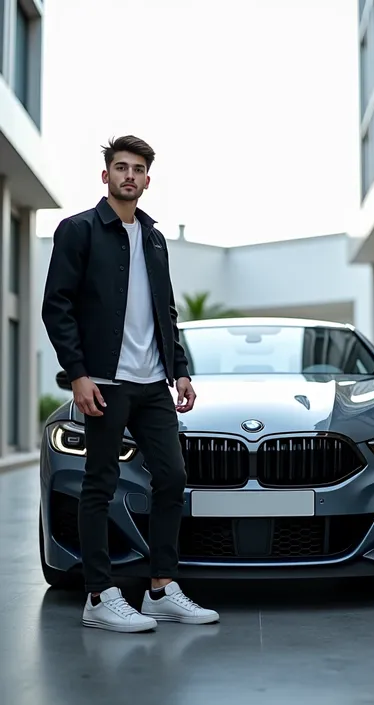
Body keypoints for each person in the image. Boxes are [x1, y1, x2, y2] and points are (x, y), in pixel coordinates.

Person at [42, 135, 219, 633]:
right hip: (103, 381)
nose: (129, 176)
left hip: (152, 384)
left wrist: (179, 369)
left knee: (172, 479)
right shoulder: (78, 231)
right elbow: (56, 306)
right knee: (100, 484)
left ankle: (161, 588)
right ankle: (99, 595)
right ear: (105, 176)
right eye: (120, 167)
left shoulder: (155, 238)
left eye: (137, 169)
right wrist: (78, 374)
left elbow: (165, 310)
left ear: (147, 178)